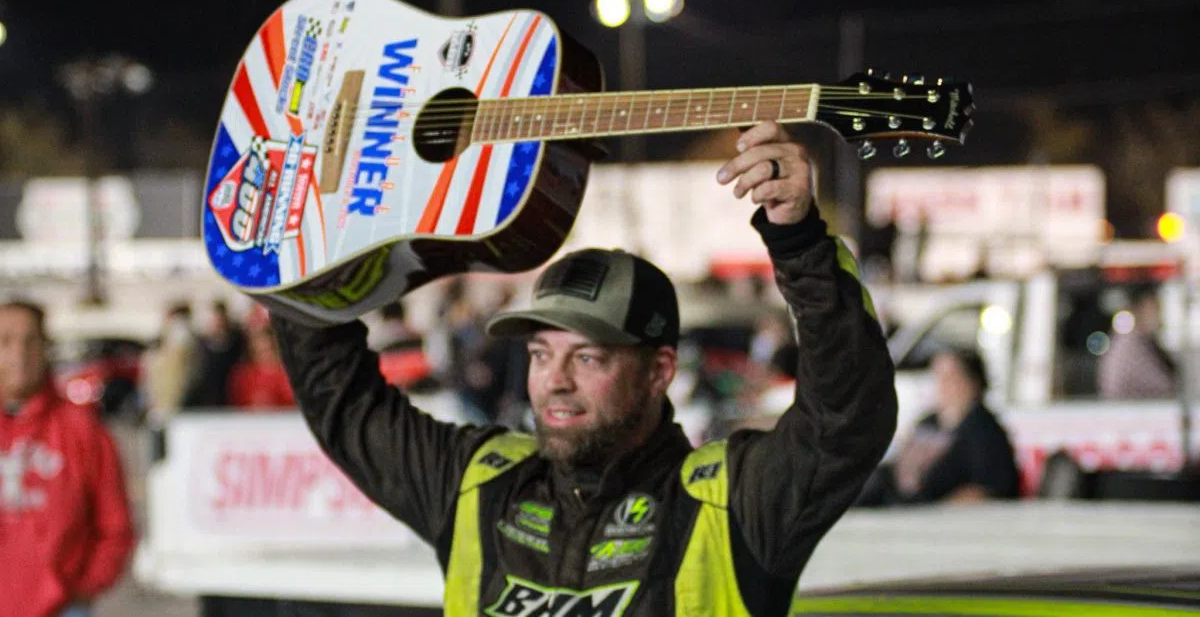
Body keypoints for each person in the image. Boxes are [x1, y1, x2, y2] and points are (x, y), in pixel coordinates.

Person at [269, 121, 897, 615]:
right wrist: (304, 239)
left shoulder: (730, 501)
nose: (554, 381)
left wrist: (800, 243)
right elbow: (341, 399)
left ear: (659, 370)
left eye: (587, 357)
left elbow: (846, 419)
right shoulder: (479, 484)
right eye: (541, 354)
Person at [0, 300, 135, 617]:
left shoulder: (82, 429)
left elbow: (115, 527)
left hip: (60, 608)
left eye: (31, 340)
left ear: (46, 348)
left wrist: (83, 589)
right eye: (5, 340)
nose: (19, 353)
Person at [855, 347, 1020, 506]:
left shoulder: (984, 431)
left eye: (950, 376)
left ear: (973, 381)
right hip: (892, 504)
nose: (942, 384)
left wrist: (937, 513)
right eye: (937, 376)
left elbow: (988, 492)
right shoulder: (928, 422)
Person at [1098, 285, 1177, 400]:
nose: (1159, 315)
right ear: (1139, 309)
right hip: (1128, 414)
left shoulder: (1136, 341)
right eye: (1155, 308)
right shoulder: (1130, 346)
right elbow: (1165, 388)